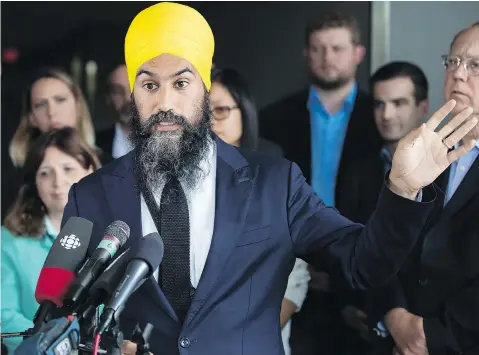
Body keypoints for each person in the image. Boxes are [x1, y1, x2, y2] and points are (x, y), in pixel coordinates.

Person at [60, 3, 478, 355]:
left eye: (181, 83)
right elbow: (64, 315)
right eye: (148, 84)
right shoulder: (91, 197)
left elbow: (361, 264)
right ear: (132, 95)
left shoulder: (274, 182)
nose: (164, 102)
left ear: (205, 88)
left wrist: (402, 190)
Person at [259, 14, 382, 354]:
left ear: (358, 53)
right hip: (289, 269)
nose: (327, 57)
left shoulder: (381, 117)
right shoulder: (272, 119)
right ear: (306, 55)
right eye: (318, 48)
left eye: (337, 48)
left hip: (359, 275)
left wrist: (341, 265)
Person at [367, 22, 479, 355]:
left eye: (475, 65)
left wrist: (431, 335)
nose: (458, 75)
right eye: (453, 62)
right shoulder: (420, 147)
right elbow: (381, 240)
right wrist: (394, 315)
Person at [209, 67, 309, 355]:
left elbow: (295, 268)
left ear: (245, 112)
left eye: (221, 110)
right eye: (202, 113)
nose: (210, 122)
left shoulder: (274, 174)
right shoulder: (181, 182)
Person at [335, 61, 430, 355]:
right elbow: (345, 245)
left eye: (399, 103)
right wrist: (347, 308)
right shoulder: (357, 174)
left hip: (430, 332)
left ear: (423, 107)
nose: (387, 115)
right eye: (379, 104)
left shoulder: (447, 170)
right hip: (364, 332)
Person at [1, 128, 101, 353]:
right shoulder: (8, 241)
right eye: (45, 173)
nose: (58, 182)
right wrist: (57, 345)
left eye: (68, 169)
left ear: (91, 171)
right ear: (33, 183)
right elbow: (4, 316)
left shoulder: (112, 235)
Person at [2, 68, 111, 220]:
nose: (51, 112)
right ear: (31, 118)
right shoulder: (16, 179)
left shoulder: (111, 166)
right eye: (41, 104)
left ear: (78, 106)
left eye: (60, 100)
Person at [210, 68, 283, 157]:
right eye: (204, 112)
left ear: (244, 110)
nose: (210, 121)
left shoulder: (270, 156)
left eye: (220, 110)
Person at [96, 63, 134, 159]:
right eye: (117, 91)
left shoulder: (169, 142)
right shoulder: (95, 144)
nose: (128, 99)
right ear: (108, 98)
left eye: (133, 89)